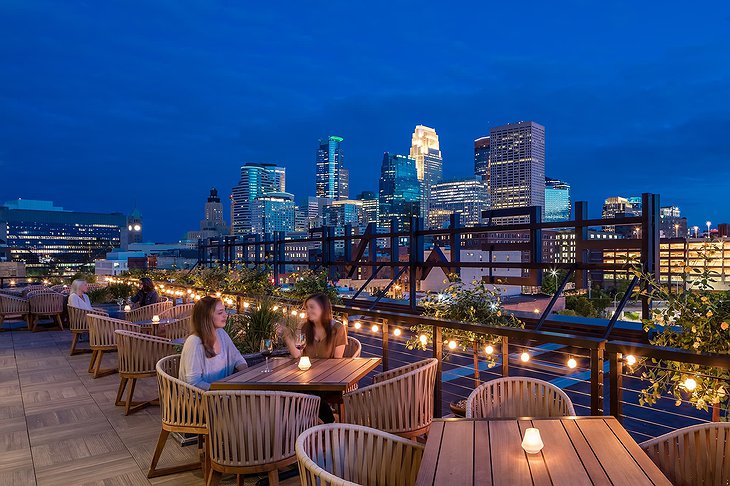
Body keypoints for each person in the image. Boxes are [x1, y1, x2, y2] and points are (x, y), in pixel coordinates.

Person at [279, 293, 347, 422]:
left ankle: (326, 421)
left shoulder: (337, 328)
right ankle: (318, 422)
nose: (308, 311)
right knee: (287, 389)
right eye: (306, 308)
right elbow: (297, 355)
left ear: (323, 308)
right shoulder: (304, 327)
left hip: (329, 378)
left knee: (304, 394)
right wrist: (287, 336)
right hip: (307, 377)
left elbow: (338, 362)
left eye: (312, 307)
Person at [179, 296, 247, 390]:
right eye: (220, 313)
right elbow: (194, 383)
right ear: (207, 317)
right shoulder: (194, 342)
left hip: (221, 395)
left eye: (224, 311)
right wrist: (221, 392)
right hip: (200, 400)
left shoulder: (221, 333)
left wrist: (247, 377)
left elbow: (237, 358)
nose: (225, 315)